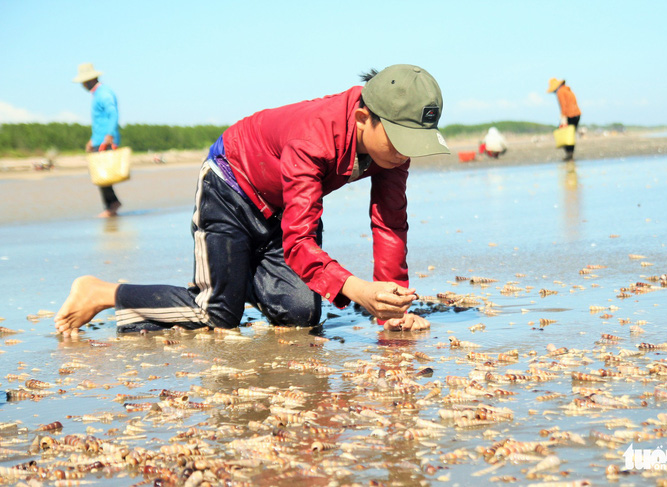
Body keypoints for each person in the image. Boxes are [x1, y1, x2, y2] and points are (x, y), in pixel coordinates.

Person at [55, 64, 450, 337]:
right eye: (399, 139)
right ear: (365, 118)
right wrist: (358, 290)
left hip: (281, 209)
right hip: (229, 190)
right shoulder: (314, 137)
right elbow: (300, 242)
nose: (404, 153)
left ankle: (233, 274)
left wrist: (393, 310)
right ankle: (103, 291)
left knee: (301, 314)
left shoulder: (391, 152)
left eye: (413, 142)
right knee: (217, 315)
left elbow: (390, 222)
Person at [73, 63, 122, 217]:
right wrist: (92, 140)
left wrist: (109, 135)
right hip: (98, 140)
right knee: (100, 174)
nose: (82, 85)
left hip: (105, 141)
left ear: (89, 80)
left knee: (101, 174)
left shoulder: (104, 93)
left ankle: (111, 205)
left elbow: (113, 114)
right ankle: (112, 204)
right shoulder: (97, 94)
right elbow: (100, 121)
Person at [547, 78, 581, 161]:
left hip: (570, 115)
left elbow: (564, 105)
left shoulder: (560, 92)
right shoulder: (567, 90)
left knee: (564, 133)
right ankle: (570, 154)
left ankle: (569, 154)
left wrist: (563, 117)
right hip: (577, 114)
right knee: (571, 134)